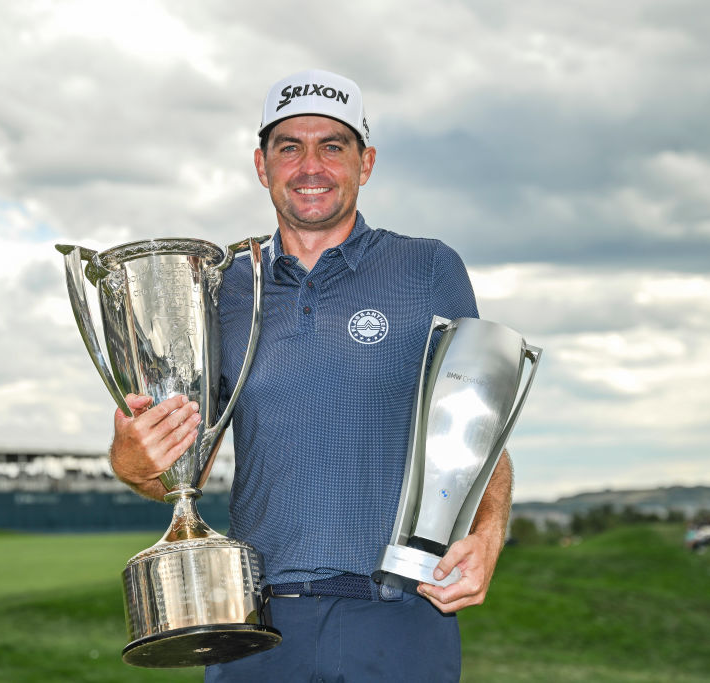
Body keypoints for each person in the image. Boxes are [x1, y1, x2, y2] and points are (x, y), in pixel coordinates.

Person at [108, 69, 513, 681]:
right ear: (261, 164)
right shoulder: (219, 287)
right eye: (289, 147)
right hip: (254, 621)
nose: (310, 165)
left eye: (333, 145)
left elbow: (478, 430)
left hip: (400, 613)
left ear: (365, 161)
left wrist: (487, 534)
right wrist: (134, 458)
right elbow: (175, 474)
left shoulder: (428, 267)